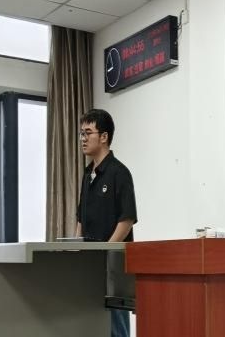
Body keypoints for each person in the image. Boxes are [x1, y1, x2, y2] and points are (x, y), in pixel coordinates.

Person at [76, 109, 137, 337]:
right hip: (90, 265)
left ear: (104, 137)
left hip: (113, 266)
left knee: (116, 328)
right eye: (81, 133)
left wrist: (106, 252)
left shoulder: (119, 173)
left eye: (88, 133)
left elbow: (127, 219)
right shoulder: (87, 175)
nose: (82, 139)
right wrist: (76, 251)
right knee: (93, 324)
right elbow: (80, 219)